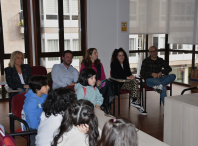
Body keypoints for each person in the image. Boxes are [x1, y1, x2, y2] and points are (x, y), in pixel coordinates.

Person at [111, 48, 147, 115]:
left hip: (127, 83)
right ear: (116, 57)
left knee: (135, 83)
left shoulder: (126, 64)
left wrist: (132, 76)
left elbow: (129, 73)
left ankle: (135, 102)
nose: (122, 57)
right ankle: (138, 105)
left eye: (123, 55)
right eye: (120, 55)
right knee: (136, 86)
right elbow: (115, 76)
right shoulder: (113, 64)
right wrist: (127, 77)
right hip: (119, 84)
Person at [23, 76, 49, 146]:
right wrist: (43, 129)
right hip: (33, 128)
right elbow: (33, 122)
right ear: (37, 89)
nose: (48, 87)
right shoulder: (31, 102)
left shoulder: (44, 95)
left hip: (43, 123)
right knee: (37, 142)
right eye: (45, 86)